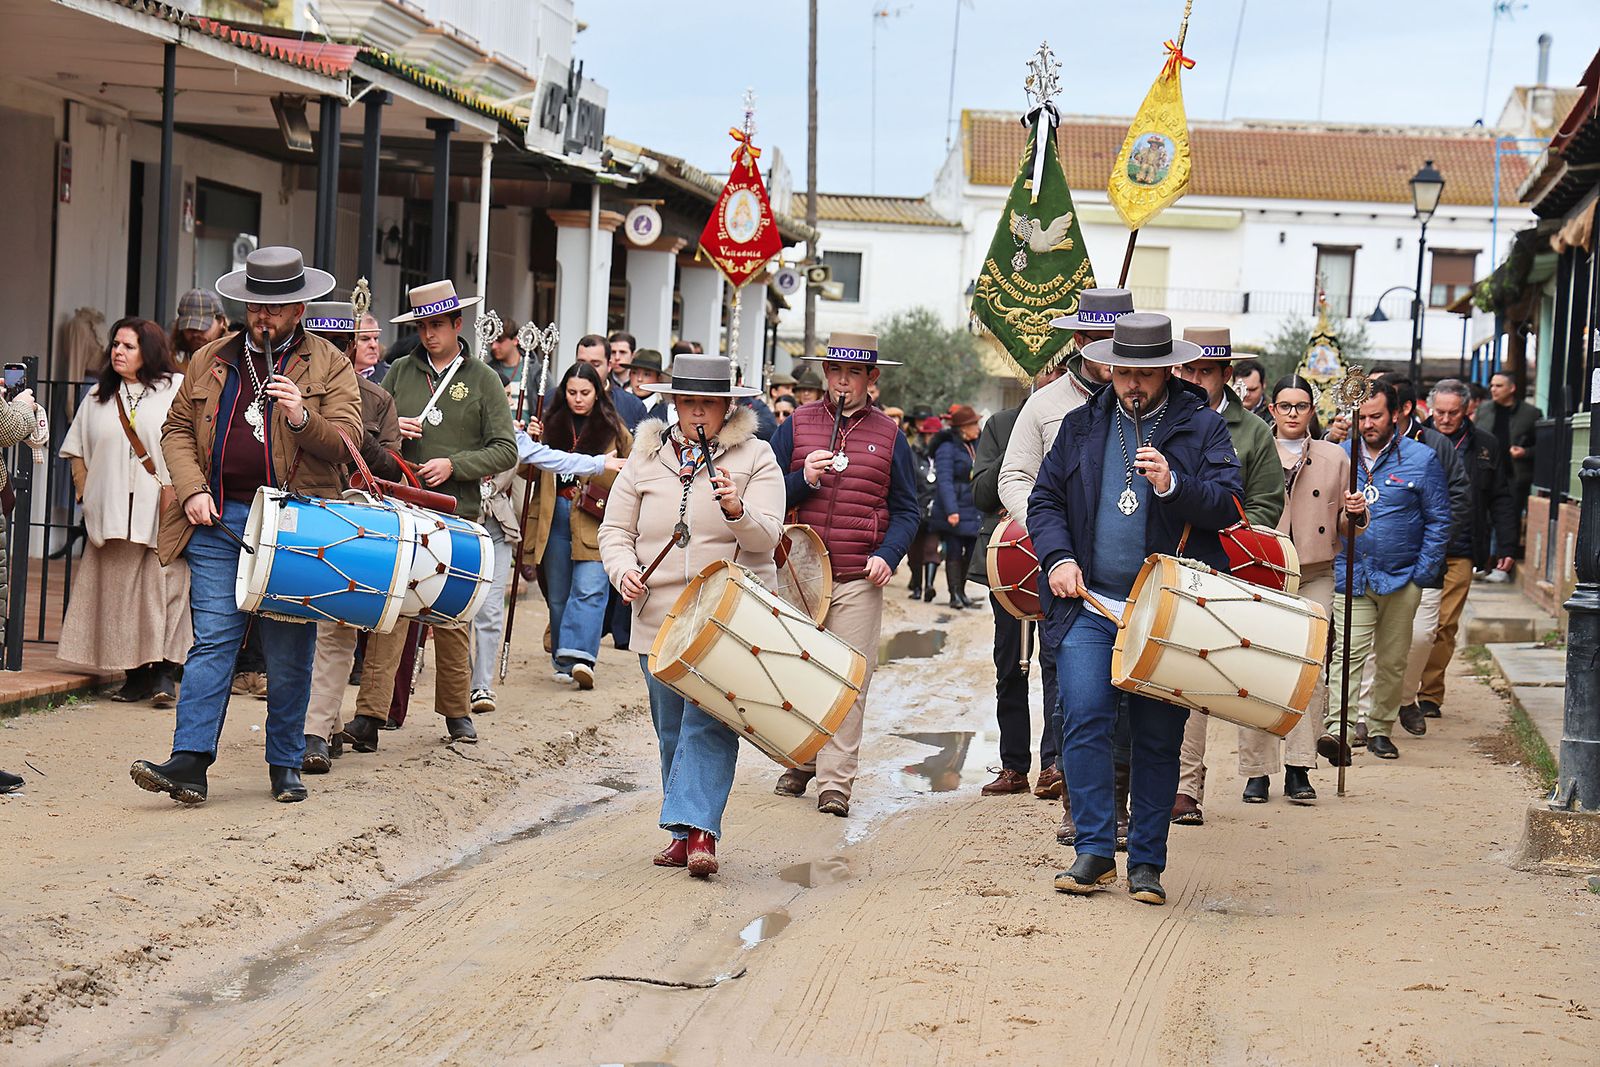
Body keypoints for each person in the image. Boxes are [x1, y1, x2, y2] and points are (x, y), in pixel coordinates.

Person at [130, 246, 362, 806]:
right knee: (213, 642)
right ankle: (189, 761)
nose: (264, 316)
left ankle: (285, 762)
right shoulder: (211, 356)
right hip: (219, 516)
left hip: (296, 524)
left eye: (277, 307)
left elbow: (349, 444)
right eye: (256, 305)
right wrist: (191, 490)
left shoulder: (330, 364)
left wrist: (302, 417)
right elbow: (177, 430)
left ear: (300, 307)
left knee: (288, 648)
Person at [1029, 313, 1242, 905]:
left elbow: (1228, 504)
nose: (1132, 384)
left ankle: (1146, 862)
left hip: (1168, 608)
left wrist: (1175, 485)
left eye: (1143, 374)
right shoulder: (1080, 424)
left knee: (1155, 736)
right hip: (1089, 602)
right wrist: (1058, 558)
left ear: (1166, 369)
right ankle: (1094, 849)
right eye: (1123, 372)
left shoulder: (1201, 426)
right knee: (1084, 717)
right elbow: (1045, 500)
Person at [598, 353, 785, 877]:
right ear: (674, 404)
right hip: (656, 612)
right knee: (672, 727)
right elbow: (615, 530)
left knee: (711, 719)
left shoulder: (757, 456)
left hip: (729, 614)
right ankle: (682, 832)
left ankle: (702, 832)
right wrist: (622, 570)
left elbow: (768, 537)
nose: (698, 414)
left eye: (709, 404)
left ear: (728, 407)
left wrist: (736, 511)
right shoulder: (644, 457)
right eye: (689, 403)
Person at [338, 279, 519, 754]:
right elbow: (369, 427)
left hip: (458, 510)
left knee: (453, 611)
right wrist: (396, 430)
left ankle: (456, 713)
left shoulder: (484, 380)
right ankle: (370, 716)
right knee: (391, 607)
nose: (429, 333)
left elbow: (506, 449)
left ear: (457, 324)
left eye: (437, 324)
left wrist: (455, 465)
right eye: (422, 325)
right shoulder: (399, 370)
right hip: (400, 505)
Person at [768, 331, 920, 817]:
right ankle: (802, 758)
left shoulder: (891, 436)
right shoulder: (795, 426)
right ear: (825, 376)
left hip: (857, 575)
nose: (843, 382)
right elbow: (763, 497)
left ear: (871, 379)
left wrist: (889, 555)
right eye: (836, 372)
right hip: (796, 574)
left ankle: (835, 783)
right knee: (797, 672)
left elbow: (908, 511)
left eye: (854, 373)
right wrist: (803, 479)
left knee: (850, 680)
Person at [999, 287, 1127, 846]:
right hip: (1068, 575)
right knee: (1075, 697)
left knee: (1132, 695)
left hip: (1137, 574)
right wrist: (1052, 530)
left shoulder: (1157, 402)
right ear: (1077, 342)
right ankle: (1080, 805)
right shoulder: (1046, 405)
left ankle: (1122, 806)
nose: (1110, 353)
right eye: (1100, 342)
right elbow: (1013, 479)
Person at [1171, 326, 1286, 827]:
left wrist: (1226, 525)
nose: (1196, 379)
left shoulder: (1256, 432)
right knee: (1184, 677)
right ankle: (1184, 789)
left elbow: (1267, 503)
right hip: (1175, 565)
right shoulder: (1167, 419)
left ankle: (1257, 772)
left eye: (1206, 371)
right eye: (1188, 370)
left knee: (1233, 675)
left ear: (1226, 375)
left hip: (1232, 568)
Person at [1234, 375, 1361, 804]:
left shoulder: (1334, 456)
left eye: (1300, 406)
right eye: (1284, 406)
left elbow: (1347, 521)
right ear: (1272, 410)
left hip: (1314, 570)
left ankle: (1299, 766)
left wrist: (1356, 514)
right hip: (1262, 568)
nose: (1292, 413)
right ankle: (1256, 771)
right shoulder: (1254, 445)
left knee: (1309, 666)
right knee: (1255, 665)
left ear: (1311, 410)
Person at [58, 316, 189, 706]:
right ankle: (133, 675)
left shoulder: (175, 389)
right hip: (110, 512)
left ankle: (164, 672)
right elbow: (76, 451)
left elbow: (193, 443)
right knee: (116, 595)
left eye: (128, 346)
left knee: (164, 590)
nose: (118, 351)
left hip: (160, 510)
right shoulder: (98, 395)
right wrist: (86, 495)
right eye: (115, 344)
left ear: (147, 351)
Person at [1318, 381, 1450, 765]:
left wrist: (1420, 574)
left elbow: (1439, 520)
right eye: (1362, 417)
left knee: (1393, 660)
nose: (1369, 424)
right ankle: (1338, 730)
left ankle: (1380, 729)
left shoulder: (1421, 459)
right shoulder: (1340, 457)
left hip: (1402, 576)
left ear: (1396, 414)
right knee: (1346, 655)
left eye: (1376, 416)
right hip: (1350, 573)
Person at [298, 300, 404, 772]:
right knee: (292, 627)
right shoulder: (278, 387)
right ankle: (314, 725)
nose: (329, 353)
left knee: (336, 629)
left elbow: (391, 469)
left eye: (338, 345)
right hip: (293, 514)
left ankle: (315, 732)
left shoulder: (377, 400)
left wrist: (366, 445)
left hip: (349, 523)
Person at [1397, 379, 1516, 732]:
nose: (1446, 419)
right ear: (1429, 408)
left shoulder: (1485, 445)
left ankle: (1429, 694)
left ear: (1468, 410)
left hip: (1460, 546)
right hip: (1414, 547)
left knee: (1442, 625)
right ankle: (1402, 690)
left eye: (1453, 413)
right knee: (1409, 625)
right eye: (1440, 412)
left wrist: (1506, 546)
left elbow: (1501, 497)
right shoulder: (1413, 440)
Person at [971, 366, 1064, 799]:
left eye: (1060, 369)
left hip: (1061, 557)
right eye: (1044, 370)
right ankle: (1013, 765)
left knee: (1058, 664)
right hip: (1009, 560)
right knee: (1009, 663)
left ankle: (1055, 764)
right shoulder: (1001, 424)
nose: (1052, 378)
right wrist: (1021, 450)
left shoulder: (1077, 418)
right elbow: (981, 495)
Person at [523, 362, 632, 689]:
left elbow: (635, 467)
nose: (578, 399)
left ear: (597, 393)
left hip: (595, 515)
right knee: (557, 593)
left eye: (585, 392)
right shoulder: (547, 424)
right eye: (571, 392)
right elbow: (519, 471)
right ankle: (562, 656)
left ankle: (581, 656)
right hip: (552, 513)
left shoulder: (613, 427)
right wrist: (529, 446)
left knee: (591, 586)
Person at [1475, 370, 1540, 564]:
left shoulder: (1531, 414)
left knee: (1507, 518)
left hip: (1514, 476)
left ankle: (1501, 563)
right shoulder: (1484, 410)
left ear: (1512, 388)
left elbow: (1544, 447)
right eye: (1492, 385)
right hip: (1485, 472)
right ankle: (1483, 562)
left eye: (1499, 386)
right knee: (1482, 518)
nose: (1493, 389)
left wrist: (1525, 453)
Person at [931, 405, 982, 608]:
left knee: (970, 554)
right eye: (974, 424)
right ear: (963, 427)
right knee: (953, 552)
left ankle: (962, 590)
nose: (978, 427)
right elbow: (944, 481)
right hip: (953, 508)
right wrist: (952, 510)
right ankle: (954, 595)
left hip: (973, 508)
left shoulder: (976, 445)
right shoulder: (947, 448)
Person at [562, 334, 647, 432]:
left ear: (609, 365)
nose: (587, 369)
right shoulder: (553, 399)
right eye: (582, 363)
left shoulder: (632, 405)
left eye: (595, 364)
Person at [906, 414, 942, 602]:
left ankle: (929, 586)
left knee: (931, 549)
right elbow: (908, 481)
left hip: (936, 511)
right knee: (914, 552)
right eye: (930, 435)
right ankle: (917, 588)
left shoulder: (945, 455)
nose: (933, 438)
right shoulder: (913, 454)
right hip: (916, 508)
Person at [171, 288, 227, 365]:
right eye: (189, 328)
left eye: (203, 327)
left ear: (221, 322)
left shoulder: (237, 358)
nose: (195, 334)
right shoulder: (170, 360)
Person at [1234, 358, 1272, 423]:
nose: (1246, 394)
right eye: (1240, 389)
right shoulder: (1222, 410)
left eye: (1252, 389)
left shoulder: (1276, 413)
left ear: (1263, 385)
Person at [352, 312, 387, 383]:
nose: (374, 345)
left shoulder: (391, 376)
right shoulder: (331, 375)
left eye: (376, 338)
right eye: (365, 339)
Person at [487, 318, 522, 386]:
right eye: (491, 341)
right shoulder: (488, 370)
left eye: (499, 341)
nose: (493, 346)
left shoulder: (536, 372)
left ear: (515, 340)